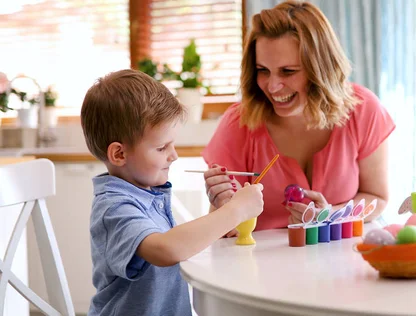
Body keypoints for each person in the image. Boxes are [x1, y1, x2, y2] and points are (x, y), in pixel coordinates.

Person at [80, 69, 264, 316]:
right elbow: (167, 250)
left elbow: (182, 244)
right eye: (161, 147)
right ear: (119, 154)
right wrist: (235, 211)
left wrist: (217, 210)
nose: (173, 155)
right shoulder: (114, 207)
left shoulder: (147, 194)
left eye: (172, 144)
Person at [202, 0, 395, 234]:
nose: (272, 86)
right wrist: (222, 208)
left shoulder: (363, 109)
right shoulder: (238, 124)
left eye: (288, 71)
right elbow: (224, 231)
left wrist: (329, 216)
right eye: (263, 70)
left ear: (321, 68)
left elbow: (376, 197)